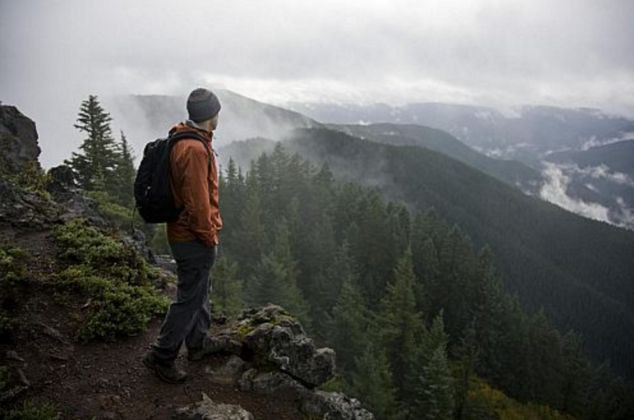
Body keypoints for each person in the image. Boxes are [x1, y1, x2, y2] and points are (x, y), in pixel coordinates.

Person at [143, 88, 223, 383]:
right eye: (217, 111)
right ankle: (162, 356)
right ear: (211, 115)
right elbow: (198, 203)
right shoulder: (194, 150)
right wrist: (209, 236)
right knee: (189, 298)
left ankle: (198, 343)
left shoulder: (188, 138)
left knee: (200, 288)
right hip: (192, 236)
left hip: (186, 233)